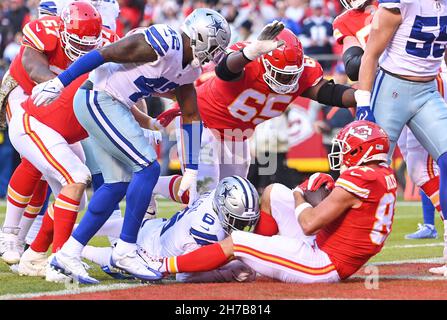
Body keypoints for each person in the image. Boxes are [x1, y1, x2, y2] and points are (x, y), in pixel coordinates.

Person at [30, 8, 234, 283]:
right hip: (98, 98)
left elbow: (191, 114)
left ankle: (68, 253)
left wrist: (193, 170)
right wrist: (59, 82)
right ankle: (126, 250)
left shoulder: (189, 68)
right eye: (214, 47)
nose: (215, 56)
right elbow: (105, 53)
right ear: (198, 35)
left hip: (115, 105)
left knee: (117, 185)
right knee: (148, 168)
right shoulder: (165, 42)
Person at [145, 120, 398, 283]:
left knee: (238, 242)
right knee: (273, 192)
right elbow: (346, 214)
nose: (340, 153)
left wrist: (300, 193)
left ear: (361, 151)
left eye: (346, 148)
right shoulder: (382, 175)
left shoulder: (359, 177)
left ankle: (163, 265)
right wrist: (320, 195)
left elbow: (309, 223)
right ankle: (262, 256)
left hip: (323, 264)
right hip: (326, 246)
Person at [162, 26, 356, 193]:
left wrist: (360, 96)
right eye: (279, 74)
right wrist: (250, 53)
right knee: (204, 190)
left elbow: (329, 93)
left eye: (291, 76)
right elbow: (224, 71)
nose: (285, 81)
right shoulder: (249, 59)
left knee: (232, 195)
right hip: (201, 122)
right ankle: (156, 187)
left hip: (236, 135)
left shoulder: (302, 73)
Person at [0, 1, 105, 265]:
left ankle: (33, 241)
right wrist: (61, 87)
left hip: (59, 100)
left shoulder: (103, 41)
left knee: (65, 181)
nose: (81, 49)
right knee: (33, 159)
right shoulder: (46, 30)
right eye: (76, 40)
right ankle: (10, 233)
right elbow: (34, 67)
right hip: (24, 92)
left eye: (87, 43)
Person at [333, 0, 442, 239]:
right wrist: (364, 99)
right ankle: (343, 236)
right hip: (389, 87)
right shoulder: (348, 19)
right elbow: (355, 65)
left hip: (425, 83)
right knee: (381, 167)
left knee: (423, 166)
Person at [355, 0, 447, 272]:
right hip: (391, 89)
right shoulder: (401, 2)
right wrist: (363, 103)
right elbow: (370, 53)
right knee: (369, 170)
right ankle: (341, 242)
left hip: (428, 90)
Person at [79, 176, 259, 284]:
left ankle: (65, 239)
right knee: (112, 255)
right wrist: (227, 273)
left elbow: (156, 183)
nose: (243, 227)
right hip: (150, 252)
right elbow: (185, 276)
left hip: (154, 227)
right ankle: (77, 251)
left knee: (87, 229)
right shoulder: (207, 230)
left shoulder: (214, 194)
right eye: (237, 220)